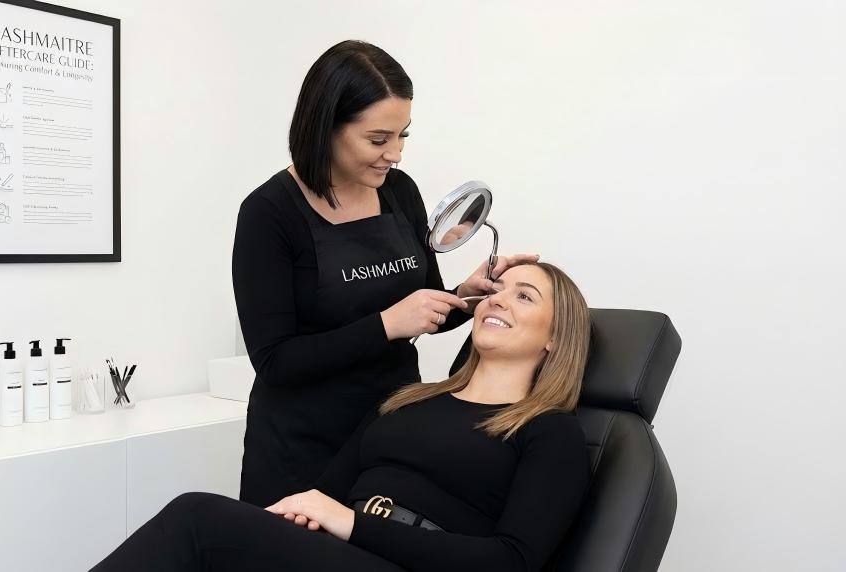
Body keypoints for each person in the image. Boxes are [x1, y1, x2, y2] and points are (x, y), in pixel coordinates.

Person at [92, 262, 592, 571]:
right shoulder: (407, 400)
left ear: (556, 337)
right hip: (345, 551)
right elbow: (323, 498)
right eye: (498, 289)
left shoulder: (549, 431)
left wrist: (352, 525)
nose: (499, 298)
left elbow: (512, 562)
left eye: (524, 295)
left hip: (406, 560)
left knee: (197, 518)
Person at [232, 39, 535, 508]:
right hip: (300, 447)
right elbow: (275, 361)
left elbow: (422, 306)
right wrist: (387, 324)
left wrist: (464, 295)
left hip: (388, 433)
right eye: (378, 140)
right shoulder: (268, 213)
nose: (394, 154)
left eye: (403, 136)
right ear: (325, 128)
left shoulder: (399, 192)